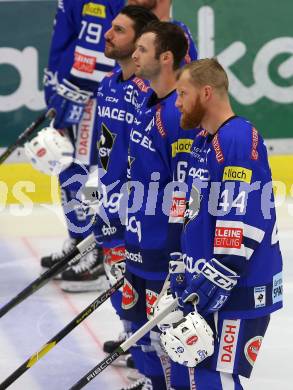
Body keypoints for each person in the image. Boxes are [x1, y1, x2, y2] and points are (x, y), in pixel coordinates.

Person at [160, 58, 283, 389]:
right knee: (193, 374)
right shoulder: (204, 141)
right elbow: (196, 214)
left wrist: (219, 276)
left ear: (207, 92)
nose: (177, 103)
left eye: (183, 93)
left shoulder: (238, 139)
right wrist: (183, 269)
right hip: (214, 284)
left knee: (215, 378)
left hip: (241, 287)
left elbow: (242, 216)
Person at [119, 21, 197, 390]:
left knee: (164, 334)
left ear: (166, 58)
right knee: (143, 333)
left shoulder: (177, 115)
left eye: (143, 50)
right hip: (138, 241)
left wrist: (179, 255)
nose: (133, 55)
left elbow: (184, 192)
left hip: (162, 250)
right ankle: (153, 383)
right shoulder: (147, 102)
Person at [40, 0, 125, 291]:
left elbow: (97, 51)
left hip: (88, 99)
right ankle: (79, 242)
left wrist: (72, 94)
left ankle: (97, 248)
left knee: (83, 174)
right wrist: (55, 89)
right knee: (69, 170)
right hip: (74, 92)